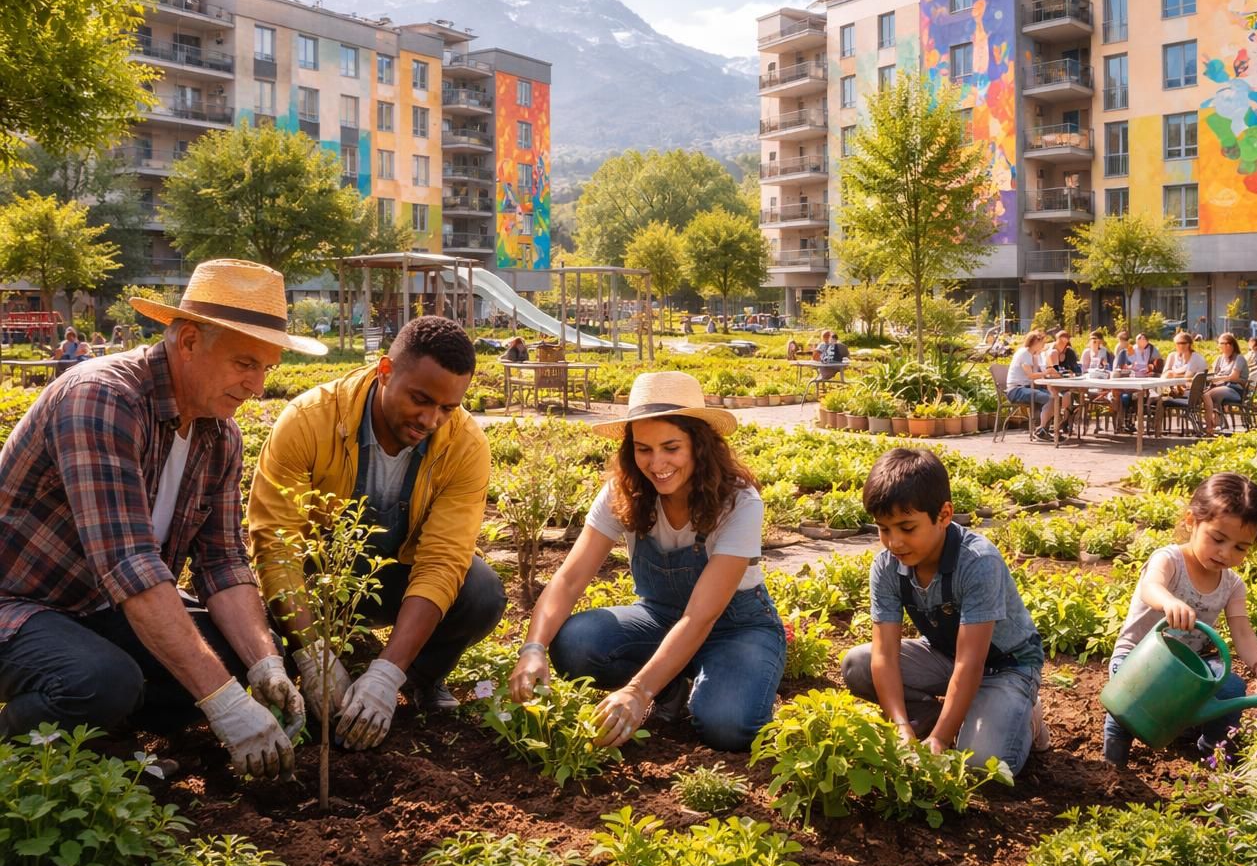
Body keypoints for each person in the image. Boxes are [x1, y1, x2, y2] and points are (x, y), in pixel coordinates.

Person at [0, 260, 327, 778]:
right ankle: (20, 748)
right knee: (101, 682)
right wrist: (223, 704)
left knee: (242, 657)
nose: (258, 386)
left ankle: (105, 733)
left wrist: (265, 662)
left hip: (102, 606)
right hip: (20, 603)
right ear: (190, 341)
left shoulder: (219, 434)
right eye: (246, 363)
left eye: (268, 367)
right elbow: (129, 564)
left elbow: (222, 559)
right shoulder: (102, 399)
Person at [249, 316, 503, 751]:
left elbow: (443, 560)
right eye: (420, 399)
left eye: (448, 408)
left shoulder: (465, 445)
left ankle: (416, 677)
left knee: (480, 592)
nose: (431, 419)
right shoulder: (309, 420)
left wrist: (389, 672)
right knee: (268, 611)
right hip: (320, 579)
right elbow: (276, 544)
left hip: (395, 578)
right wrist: (313, 654)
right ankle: (308, 672)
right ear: (386, 372)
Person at [507, 372, 783, 751]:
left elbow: (701, 615)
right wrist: (532, 649)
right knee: (575, 644)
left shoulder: (738, 503)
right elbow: (569, 580)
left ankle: (722, 675)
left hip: (735, 627)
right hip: (660, 617)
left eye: (671, 448)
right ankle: (673, 683)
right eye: (643, 449)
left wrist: (638, 692)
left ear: (698, 445)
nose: (657, 464)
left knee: (727, 725)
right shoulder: (625, 492)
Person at [842, 448, 1048, 774]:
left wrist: (939, 739)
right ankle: (946, 718)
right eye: (884, 529)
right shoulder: (886, 566)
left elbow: (971, 663)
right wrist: (900, 728)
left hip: (1006, 666)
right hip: (945, 656)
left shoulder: (977, 562)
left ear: (944, 515)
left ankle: (1026, 715)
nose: (894, 542)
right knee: (858, 665)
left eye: (907, 528)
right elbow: (885, 654)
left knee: (982, 765)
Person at [1102, 473, 1257, 766]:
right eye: (1218, 539)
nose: (1226, 553)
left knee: (1232, 689)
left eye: (1240, 547)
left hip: (1189, 670)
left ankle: (1211, 750)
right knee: (1127, 712)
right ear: (1191, 522)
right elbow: (1151, 587)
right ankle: (1113, 764)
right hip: (1135, 663)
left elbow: (1243, 632)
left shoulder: (1232, 585)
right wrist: (1169, 601)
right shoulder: (1169, 560)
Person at [1004, 329, 1055, 438]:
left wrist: (1043, 358)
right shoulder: (1024, 353)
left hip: (1026, 387)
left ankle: (1043, 429)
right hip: (1016, 390)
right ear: (1035, 342)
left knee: (1054, 397)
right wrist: (1046, 372)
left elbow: (1037, 374)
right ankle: (1041, 430)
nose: (1044, 345)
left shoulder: (1033, 355)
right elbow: (1030, 375)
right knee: (1049, 398)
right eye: (1042, 342)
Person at [1203, 332, 1249, 435]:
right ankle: (1216, 423)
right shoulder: (1220, 358)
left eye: (1220, 343)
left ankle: (1209, 426)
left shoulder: (1239, 358)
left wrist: (1218, 378)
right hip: (1221, 386)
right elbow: (1213, 373)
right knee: (1200, 393)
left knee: (1206, 395)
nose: (1218, 346)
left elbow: (1234, 377)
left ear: (1228, 344)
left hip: (1235, 389)